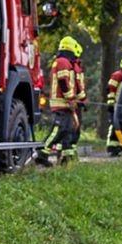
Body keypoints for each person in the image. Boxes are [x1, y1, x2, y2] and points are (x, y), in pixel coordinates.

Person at [36, 36, 84, 166]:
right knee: (58, 129)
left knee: (67, 130)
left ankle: (65, 159)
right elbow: (63, 81)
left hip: (65, 103)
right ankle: (41, 153)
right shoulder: (63, 62)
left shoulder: (65, 62)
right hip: (62, 103)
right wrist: (70, 98)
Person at [105, 54, 122, 155]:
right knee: (114, 126)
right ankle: (112, 147)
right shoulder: (118, 75)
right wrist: (111, 104)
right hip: (116, 105)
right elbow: (110, 89)